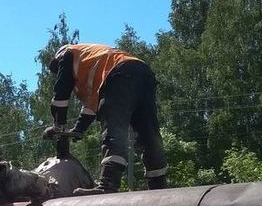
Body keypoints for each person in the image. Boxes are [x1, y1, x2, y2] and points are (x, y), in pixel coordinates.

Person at [43, 43, 169, 193]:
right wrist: (79, 128)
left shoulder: (67, 54)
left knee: (114, 129)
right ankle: (159, 186)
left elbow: (60, 96)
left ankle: (108, 185)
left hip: (120, 74)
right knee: (148, 133)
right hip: (143, 72)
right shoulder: (92, 59)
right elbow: (91, 106)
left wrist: (59, 127)